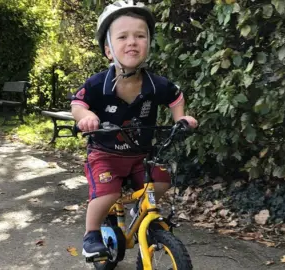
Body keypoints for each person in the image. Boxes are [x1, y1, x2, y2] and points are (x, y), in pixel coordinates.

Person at [70, 0, 198, 259]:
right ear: (108, 50)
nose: (132, 42)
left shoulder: (155, 84)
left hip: (140, 155)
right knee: (108, 193)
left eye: (140, 36)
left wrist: (181, 118)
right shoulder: (99, 83)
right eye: (123, 36)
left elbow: (176, 97)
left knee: (161, 180)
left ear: (148, 44)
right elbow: (78, 103)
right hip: (105, 154)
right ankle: (91, 235)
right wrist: (86, 116)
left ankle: (138, 209)